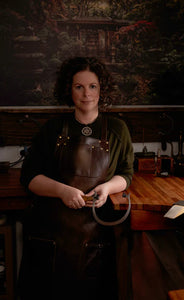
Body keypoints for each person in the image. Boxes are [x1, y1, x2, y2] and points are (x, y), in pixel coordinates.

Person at [18, 57, 134, 300]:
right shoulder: (52, 129)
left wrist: (107, 187)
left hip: (96, 235)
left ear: (102, 89)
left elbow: (126, 174)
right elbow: (29, 177)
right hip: (52, 235)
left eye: (92, 86)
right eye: (78, 87)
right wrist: (62, 191)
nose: (86, 94)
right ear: (68, 90)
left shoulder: (117, 129)